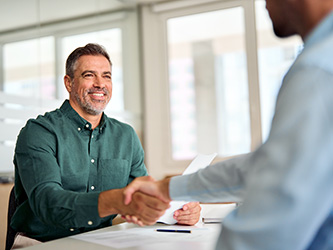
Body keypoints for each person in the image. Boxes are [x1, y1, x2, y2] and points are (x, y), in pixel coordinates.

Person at [123, 0, 333, 249]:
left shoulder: (317, 69)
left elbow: (269, 225)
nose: (263, 5)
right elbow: (265, 167)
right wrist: (168, 188)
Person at [11, 43, 200, 245]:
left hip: (101, 240)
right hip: (43, 243)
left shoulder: (126, 136)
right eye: (89, 75)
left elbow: (144, 197)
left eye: (107, 76)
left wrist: (179, 211)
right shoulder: (39, 132)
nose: (100, 84)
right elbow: (49, 204)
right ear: (69, 83)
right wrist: (114, 200)